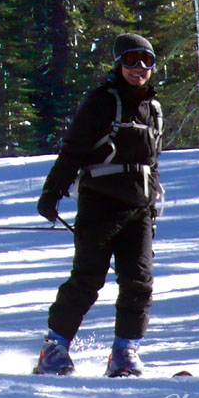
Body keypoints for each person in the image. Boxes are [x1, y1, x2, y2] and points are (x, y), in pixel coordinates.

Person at [33, 33, 164, 377]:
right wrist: (52, 192)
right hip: (100, 205)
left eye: (146, 61)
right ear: (118, 64)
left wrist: (152, 207)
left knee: (139, 281)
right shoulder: (101, 102)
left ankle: (125, 352)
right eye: (131, 61)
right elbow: (73, 148)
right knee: (88, 279)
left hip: (138, 208)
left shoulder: (153, 109)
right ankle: (54, 348)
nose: (139, 69)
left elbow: (154, 162)